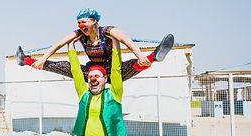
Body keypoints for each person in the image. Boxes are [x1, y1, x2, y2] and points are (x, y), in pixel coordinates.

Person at [16, 8, 174, 82]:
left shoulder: (109, 30)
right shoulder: (79, 34)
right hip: (92, 70)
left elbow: (126, 40)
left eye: (83, 22)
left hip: (113, 70)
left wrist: (139, 55)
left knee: (135, 64)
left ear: (94, 21)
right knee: (64, 66)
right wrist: (43, 59)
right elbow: (59, 44)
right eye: (78, 23)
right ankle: (26, 61)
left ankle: (154, 56)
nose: (80, 25)